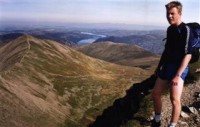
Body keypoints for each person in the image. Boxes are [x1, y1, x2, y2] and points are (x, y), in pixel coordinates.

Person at [151, 1, 192, 127]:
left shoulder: (185, 29)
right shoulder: (170, 29)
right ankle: (157, 120)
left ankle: (172, 125)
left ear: (179, 13)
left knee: (174, 100)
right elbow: (167, 50)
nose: (169, 16)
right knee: (155, 93)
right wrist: (159, 67)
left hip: (180, 68)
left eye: (172, 13)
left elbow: (188, 54)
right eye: (168, 14)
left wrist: (177, 75)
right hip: (167, 66)